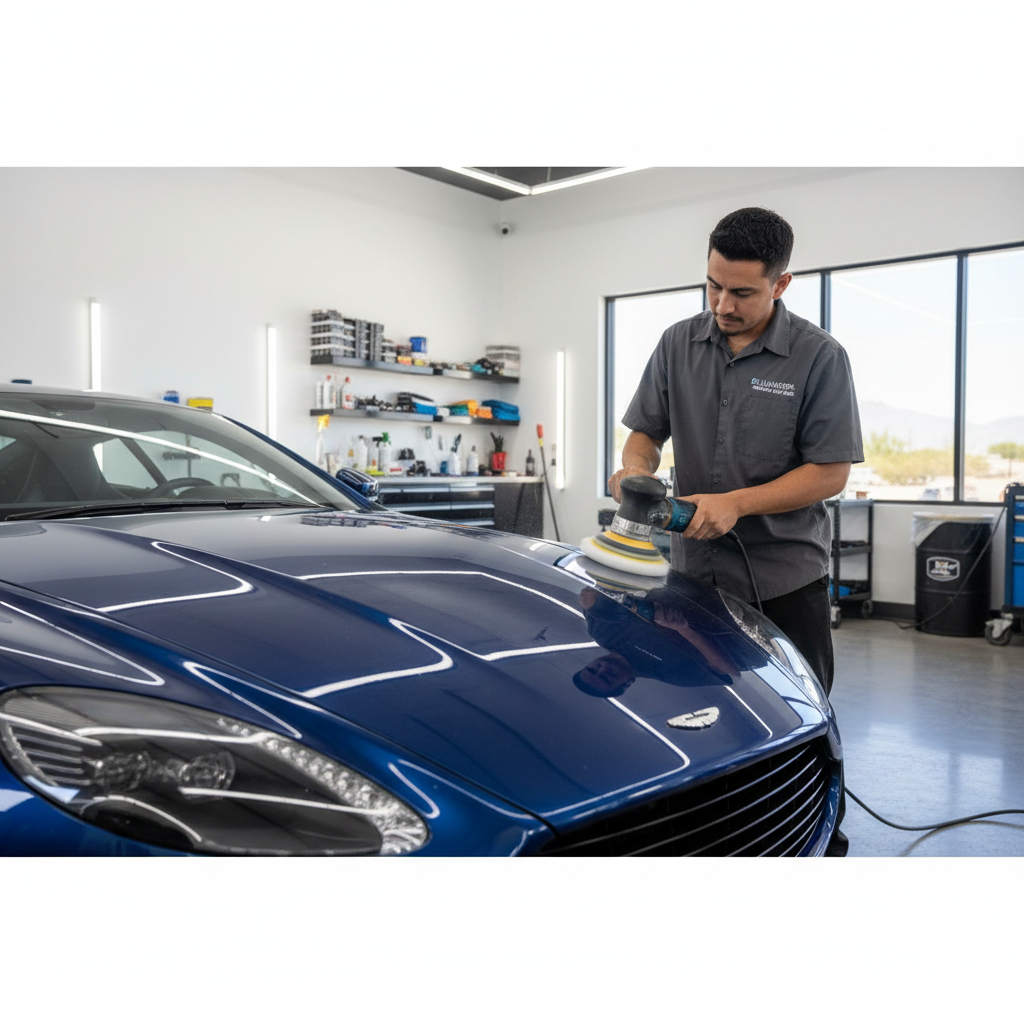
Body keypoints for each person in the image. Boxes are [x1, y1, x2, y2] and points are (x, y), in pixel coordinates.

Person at [610, 207, 862, 854]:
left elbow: (830, 472)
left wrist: (738, 504)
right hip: (692, 579)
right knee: (699, 713)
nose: (722, 303)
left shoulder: (819, 358)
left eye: (742, 291)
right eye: (713, 285)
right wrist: (634, 469)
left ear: (781, 284)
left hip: (786, 581)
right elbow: (644, 433)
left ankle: (810, 839)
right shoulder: (677, 343)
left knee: (793, 724)